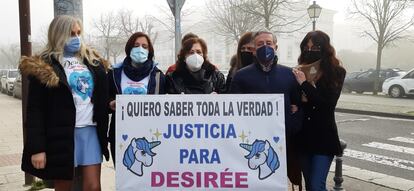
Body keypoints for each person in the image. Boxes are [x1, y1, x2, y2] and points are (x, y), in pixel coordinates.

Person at [19, 15, 110, 191]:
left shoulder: (92, 61)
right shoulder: (45, 66)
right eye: (71, 33)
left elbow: (101, 95)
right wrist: (37, 148)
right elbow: (35, 111)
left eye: (78, 33)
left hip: (90, 131)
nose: (76, 38)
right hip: (61, 135)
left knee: (93, 186)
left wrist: (111, 104)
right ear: (58, 35)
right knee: (63, 186)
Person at [229, 31, 303, 188]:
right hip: (251, 140)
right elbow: (233, 108)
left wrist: (292, 126)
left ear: (276, 47)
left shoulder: (289, 75)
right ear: (254, 50)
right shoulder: (241, 76)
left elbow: (299, 105)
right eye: (260, 44)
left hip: (284, 141)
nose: (265, 47)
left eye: (268, 43)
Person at [292, 30, 346, 191]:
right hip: (303, 137)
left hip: (323, 138)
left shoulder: (336, 72)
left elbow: (327, 105)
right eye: (306, 47)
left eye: (315, 47)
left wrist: (304, 84)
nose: (310, 51)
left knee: (317, 185)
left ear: (325, 48)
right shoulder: (299, 71)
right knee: (310, 185)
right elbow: (298, 99)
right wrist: (295, 105)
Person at [108, 32, 166, 165]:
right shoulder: (114, 73)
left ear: (149, 51)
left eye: (145, 46)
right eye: (136, 45)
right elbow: (105, 98)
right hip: (120, 135)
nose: (140, 49)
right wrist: (110, 103)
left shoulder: (158, 76)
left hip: (149, 135)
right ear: (129, 48)